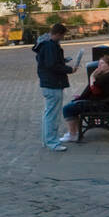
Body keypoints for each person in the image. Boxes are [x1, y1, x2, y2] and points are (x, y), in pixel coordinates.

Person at [33, 22, 79, 151]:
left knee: (49, 113)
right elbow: (52, 65)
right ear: (58, 34)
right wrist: (69, 69)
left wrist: (62, 61)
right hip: (53, 83)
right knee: (52, 114)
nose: (62, 38)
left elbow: (48, 62)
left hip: (48, 82)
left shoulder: (44, 44)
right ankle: (52, 142)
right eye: (62, 36)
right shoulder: (50, 46)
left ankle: (47, 140)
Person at [60, 56, 109, 142]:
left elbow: (95, 91)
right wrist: (81, 97)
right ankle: (75, 132)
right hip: (101, 103)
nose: (99, 66)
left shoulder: (108, 77)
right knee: (72, 105)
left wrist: (92, 77)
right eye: (99, 64)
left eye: (102, 63)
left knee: (67, 108)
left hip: (100, 105)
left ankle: (73, 134)